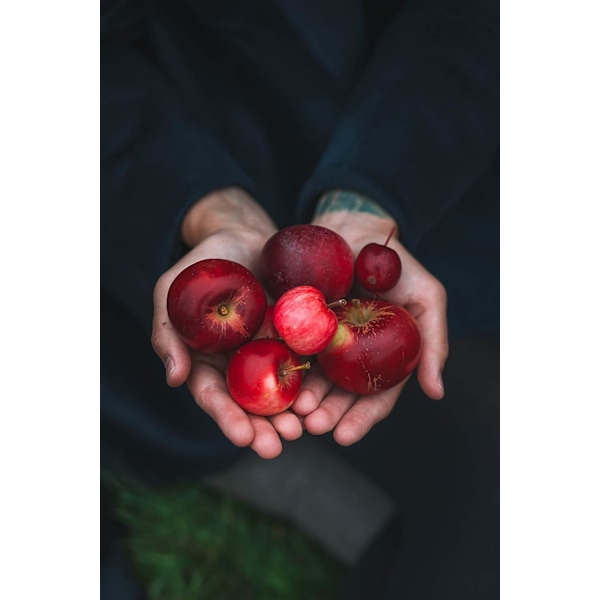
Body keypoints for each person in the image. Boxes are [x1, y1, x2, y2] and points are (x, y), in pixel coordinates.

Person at [101, 0, 499, 597]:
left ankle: (315, 478)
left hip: (421, 171)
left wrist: (373, 194)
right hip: (177, 152)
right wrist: (207, 206)